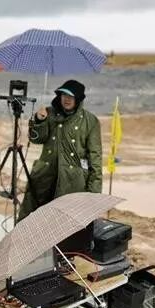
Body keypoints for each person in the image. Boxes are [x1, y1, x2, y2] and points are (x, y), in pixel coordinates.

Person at [18, 79, 102, 220]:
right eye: (64, 95)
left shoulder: (90, 121)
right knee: (33, 219)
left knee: (65, 222)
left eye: (70, 96)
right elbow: (36, 139)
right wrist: (39, 120)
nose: (66, 99)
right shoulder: (49, 113)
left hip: (72, 182)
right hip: (44, 176)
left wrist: (94, 193)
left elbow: (95, 157)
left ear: (78, 99)